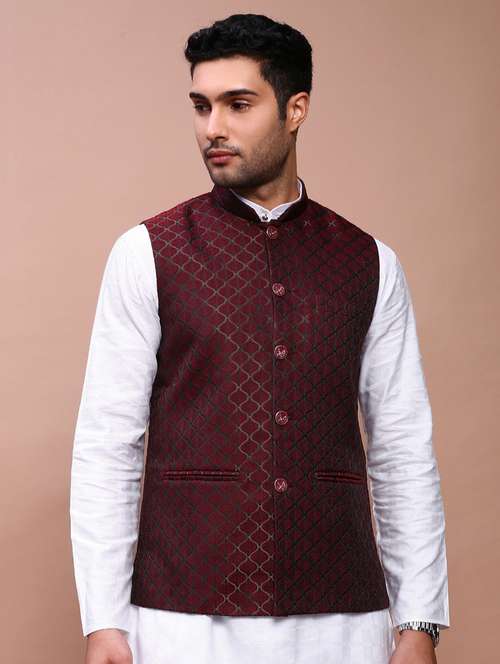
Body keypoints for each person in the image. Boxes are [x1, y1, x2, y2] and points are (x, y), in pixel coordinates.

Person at [69, 12, 450, 664]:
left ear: (295, 109)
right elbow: (107, 445)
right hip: (182, 616)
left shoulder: (370, 263)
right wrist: (103, 620)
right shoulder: (146, 253)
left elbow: (402, 448)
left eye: (238, 104)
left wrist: (418, 620)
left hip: (343, 618)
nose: (212, 127)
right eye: (201, 106)